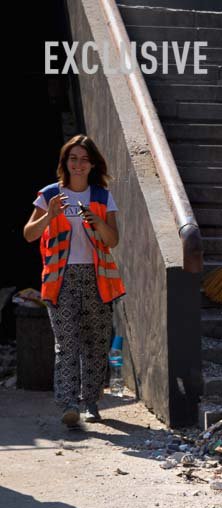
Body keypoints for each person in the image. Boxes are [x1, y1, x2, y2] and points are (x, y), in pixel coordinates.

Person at [23, 135, 125, 428]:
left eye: (83, 159)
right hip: (61, 279)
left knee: (96, 343)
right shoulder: (49, 194)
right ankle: (68, 405)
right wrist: (49, 216)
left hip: (98, 279)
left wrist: (98, 220)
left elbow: (112, 240)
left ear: (92, 164)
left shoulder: (102, 197)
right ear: (65, 162)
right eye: (73, 158)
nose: (78, 164)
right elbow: (29, 234)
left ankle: (91, 402)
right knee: (66, 343)